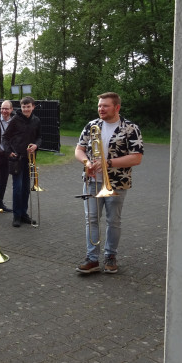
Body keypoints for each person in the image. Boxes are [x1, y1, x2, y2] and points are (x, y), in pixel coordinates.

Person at [74, 92, 143, 274]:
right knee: (91, 220)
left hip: (117, 182)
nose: (101, 109)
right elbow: (79, 149)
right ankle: (92, 259)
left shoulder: (130, 128)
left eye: (105, 105)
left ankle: (110, 256)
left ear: (116, 107)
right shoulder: (92, 125)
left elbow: (136, 158)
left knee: (113, 221)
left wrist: (108, 163)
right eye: (99, 105)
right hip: (92, 181)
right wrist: (86, 162)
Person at [2, 96, 42, 228]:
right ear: (21, 107)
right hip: (17, 159)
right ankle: (16, 215)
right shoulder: (15, 120)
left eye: (28, 106)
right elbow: (5, 137)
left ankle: (24, 214)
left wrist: (36, 145)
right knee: (18, 188)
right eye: (23, 107)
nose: (26, 109)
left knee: (26, 188)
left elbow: (39, 137)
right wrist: (9, 151)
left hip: (29, 159)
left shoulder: (36, 120)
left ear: (33, 107)